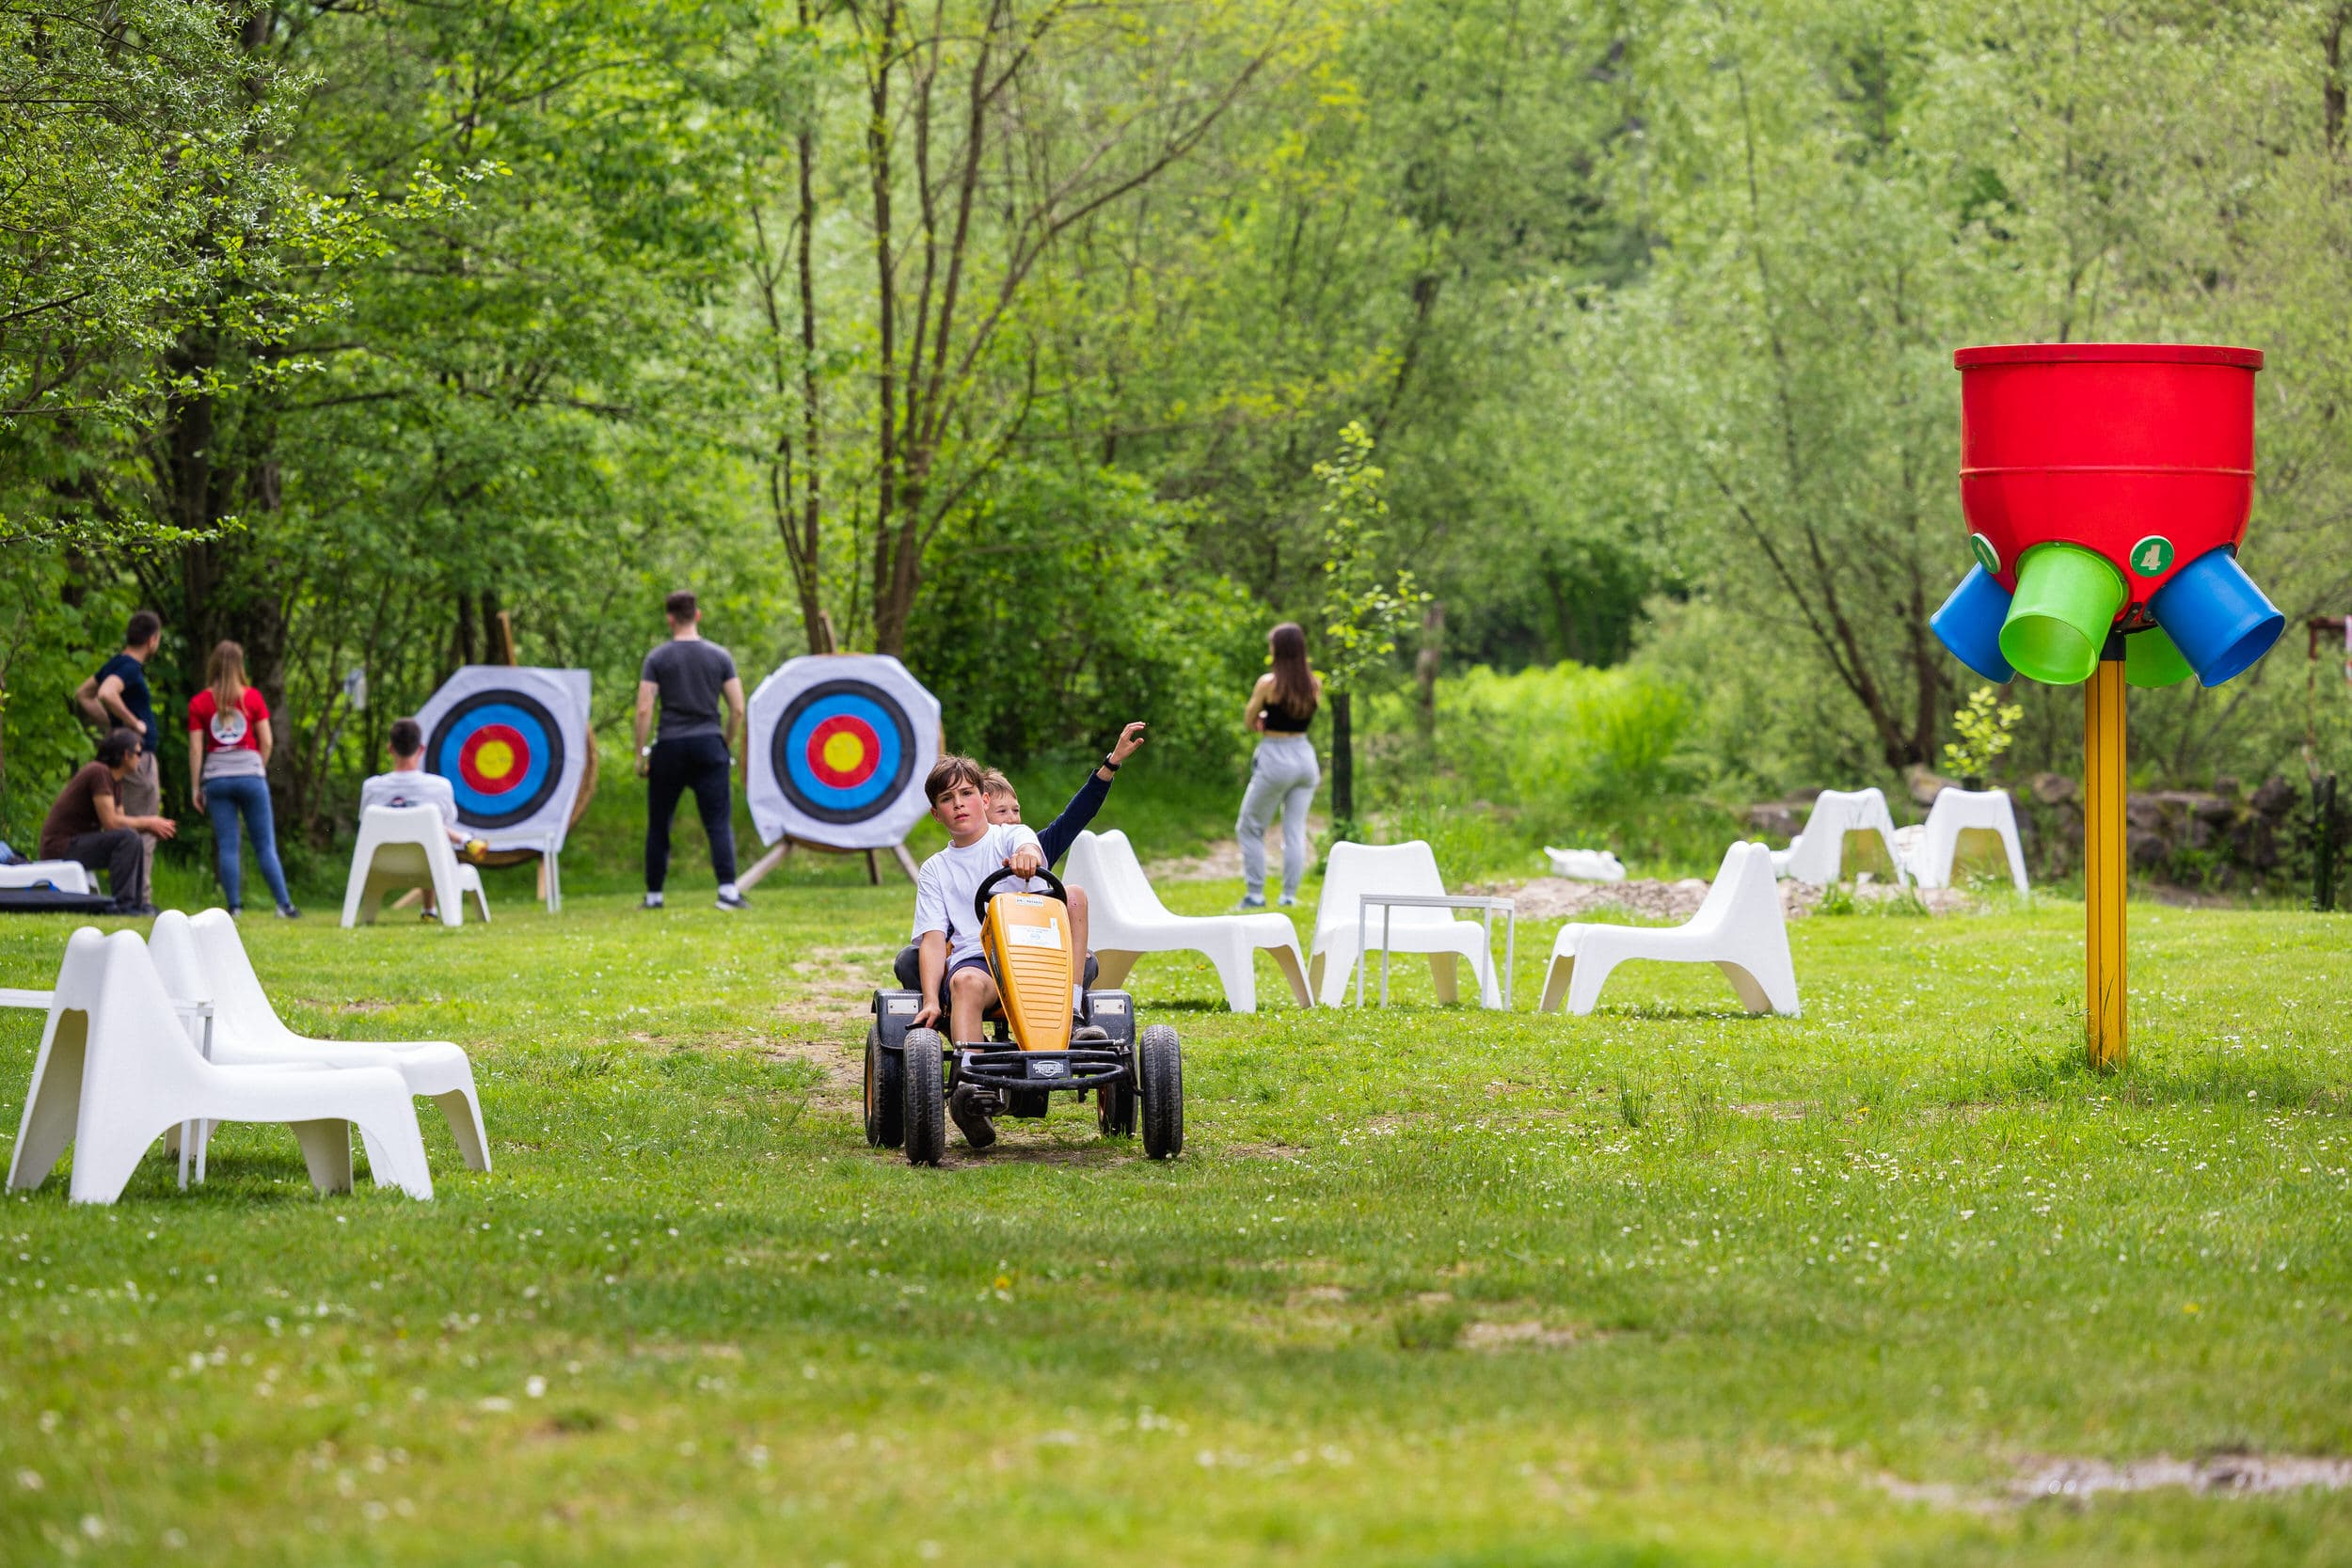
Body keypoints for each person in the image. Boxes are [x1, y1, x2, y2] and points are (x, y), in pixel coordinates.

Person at [891, 722, 1150, 996]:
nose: (1013, 818)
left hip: (1029, 951)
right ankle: (947, 1019)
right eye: (1003, 811)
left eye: (1017, 810)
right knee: (910, 960)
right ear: (985, 809)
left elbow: (1076, 816)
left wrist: (1110, 765)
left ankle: (1072, 1015)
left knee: (1087, 961)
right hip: (971, 960)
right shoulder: (950, 862)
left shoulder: (1033, 845)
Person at [907, 755, 1052, 1150]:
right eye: (947, 799)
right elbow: (934, 938)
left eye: (967, 794)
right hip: (980, 957)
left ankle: (1073, 1025)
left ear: (985, 799)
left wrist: (1026, 858)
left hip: (1032, 950)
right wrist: (933, 1000)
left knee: (1073, 904)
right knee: (966, 981)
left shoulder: (1008, 837)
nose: (959, 804)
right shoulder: (936, 869)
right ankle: (971, 1093)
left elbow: (1026, 844)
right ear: (936, 814)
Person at [635, 590, 748, 911]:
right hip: (709, 744)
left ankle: (655, 895)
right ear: (697, 615)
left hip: (668, 746)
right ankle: (727, 891)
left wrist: (641, 753)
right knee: (717, 821)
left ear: (670, 619)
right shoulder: (720, 656)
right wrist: (724, 743)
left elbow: (644, 709)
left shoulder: (657, 658)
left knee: (659, 823)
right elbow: (737, 709)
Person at [186, 640, 297, 918]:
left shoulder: (200, 702)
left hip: (217, 779)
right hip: (250, 775)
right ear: (240, 666)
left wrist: (195, 787)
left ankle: (234, 907)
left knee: (227, 846)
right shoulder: (252, 698)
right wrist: (257, 766)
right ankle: (284, 905)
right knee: (265, 845)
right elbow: (268, 741)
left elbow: (196, 748)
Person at [73, 611, 166, 897]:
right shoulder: (130, 667)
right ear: (152, 640)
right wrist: (131, 723)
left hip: (122, 750)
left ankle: (131, 894)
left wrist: (112, 724)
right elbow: (106, 693)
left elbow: (83, 694)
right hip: (137, 758)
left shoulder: (115, 663)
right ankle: (139, 897)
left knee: (126, 821)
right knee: (144, 824)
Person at [358, 717, 488, 918]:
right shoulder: (439, 786)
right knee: (433, 833)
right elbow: (447, 823)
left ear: (390, 748)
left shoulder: (372, 787)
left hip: (380, 865)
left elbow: (366, 824)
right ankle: (429, 909)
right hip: (431, 864)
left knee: (426, 831)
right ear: (421, 749)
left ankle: (429, 909)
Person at [39, 729, 177, 913]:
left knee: (132, 838)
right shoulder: (99, 772)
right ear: (126, 755)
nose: (140, 758)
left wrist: (148, 826)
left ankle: (137, 904)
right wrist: (148, 821)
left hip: (76, 844)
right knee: (127, 838)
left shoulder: (115, 781)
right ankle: (123, 905)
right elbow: (111, 822)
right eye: (138, 753)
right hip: (59, 847)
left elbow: (121, 823)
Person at [1236, 621, 1322, 908]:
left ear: (1279, 650)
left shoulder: (1268, 683)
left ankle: (1255, 894)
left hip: (1276, 756)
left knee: (1250, 826)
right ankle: (1288, 896)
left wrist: (1261, 717)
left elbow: (1250, 720)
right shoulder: (1314, 684)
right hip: (1305, 758)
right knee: (1294, 830)